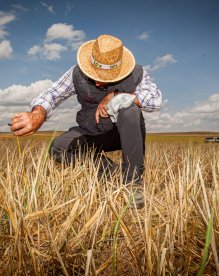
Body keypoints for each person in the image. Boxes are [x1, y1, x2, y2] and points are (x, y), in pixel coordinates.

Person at [10, 34, 162, 208]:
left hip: (123, 134)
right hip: (92, 131)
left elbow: (155, 100)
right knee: (58, 148)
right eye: (95, 74)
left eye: (106, 77)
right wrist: (38, 114)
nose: (98, 83)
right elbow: (52, 94)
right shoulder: (77, 72)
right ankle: (111, 173)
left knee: (130, 109)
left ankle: (132, 183)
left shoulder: (137, 73)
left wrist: (118, 96)